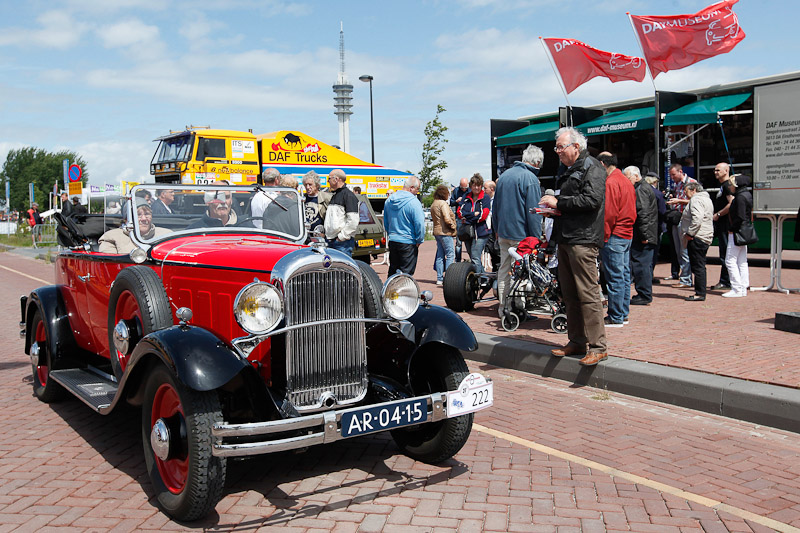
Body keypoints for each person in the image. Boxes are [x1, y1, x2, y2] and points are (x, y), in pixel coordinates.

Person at [540, 127, 607, 366]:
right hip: (566, 238)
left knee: (588, 294)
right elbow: (572, 203)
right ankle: (577, 340)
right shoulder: (568, 169)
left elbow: (592, 200)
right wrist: (553, 210)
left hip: (583, 240)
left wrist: (559, 202)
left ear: (576, 147)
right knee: (569, 295)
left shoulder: (593, 167)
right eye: (556, 147)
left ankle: (598, 346)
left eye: (560, 147)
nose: (557, 151)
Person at [492, 144, 543, 314]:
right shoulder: (530, 179)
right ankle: (518, 309)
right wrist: (536, 239)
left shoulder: (504, 176)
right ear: (536, 162)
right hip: (521, 235)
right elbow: (534, 212)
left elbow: (495, 208)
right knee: (520, 273)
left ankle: (503, 307)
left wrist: (497, 229)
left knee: (504, 270)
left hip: (503, 233)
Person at [597, 152, 636, 327]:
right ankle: (622, 313)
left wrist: (604, 235)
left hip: (615, 233)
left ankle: (616, 315)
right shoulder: (625, 180)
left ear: (603, 164)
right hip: (626, 232)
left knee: (615, 276)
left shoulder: (611, 182)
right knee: (623, 274)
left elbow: (609, 213)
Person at [624, 166, 658, 306]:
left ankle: (644, 294)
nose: (626, 180)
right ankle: (644, 293)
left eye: (628, 177)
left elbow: (643, 213)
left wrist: (644, 235)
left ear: (636, 176)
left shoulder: (641, 189)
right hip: (645, 233)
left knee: (641, 264)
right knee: (642, 264)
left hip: (643, 234)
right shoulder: (642, 188)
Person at [384, 176, 425, 275]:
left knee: (393, 271)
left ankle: (390, 289)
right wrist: (419, 239)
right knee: (406, 274)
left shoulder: (389, 201)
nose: (417, 192)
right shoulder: (414, 202)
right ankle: (404, 290)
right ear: (411, 188)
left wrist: (391, 234)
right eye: (417, 189)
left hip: (393, 240)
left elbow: (386, 221)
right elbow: (419, 223)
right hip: (408, 241)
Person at [679, 182, 714, 301]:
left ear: (693, 190)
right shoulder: (707, 199)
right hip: (705, 236)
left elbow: (697, 219)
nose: (685, 193)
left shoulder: (696, 200)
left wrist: (689, 233)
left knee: (698, 266)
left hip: (697, 237)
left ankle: (700, 293)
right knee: (700, 265)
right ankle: (700, 291)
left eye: (686, 191)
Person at [98, 200, 170, 254]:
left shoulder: (166, 235)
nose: (144, 218)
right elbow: (110, 266)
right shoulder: (111, 237)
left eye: (147, 214)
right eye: (138, 215)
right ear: (127, 220)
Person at [666, 164, 697, 288]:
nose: (672, 177)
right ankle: (684, 277)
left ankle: (686, 279)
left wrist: (679, 201)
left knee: (684, 250)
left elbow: (697, 199)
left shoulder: (692, 183)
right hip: (677, 218)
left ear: (680, 171)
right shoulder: (677, 184)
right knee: (678, 249)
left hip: (686, 219)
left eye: (673, 174)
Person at [723, 174, 753, 298]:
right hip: (744, 230)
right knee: (742, 260)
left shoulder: (740, 197)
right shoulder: (747, 195)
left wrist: (732, 229)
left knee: (730, 260)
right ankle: (744, 285)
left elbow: (740, 216)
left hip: (737, 231)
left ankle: (737, 288)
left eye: (731, 184)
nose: (729, 186)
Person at [457, 173, 491, 274]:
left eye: (478, 185)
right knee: (472, 257)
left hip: (480, 232)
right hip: (467, 231)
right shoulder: (466, 196)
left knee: (475, 256)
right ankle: (482, 277)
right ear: (470, 186)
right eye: (474, 185)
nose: (476, 187)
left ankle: (481, 279)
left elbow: (483, 215)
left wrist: (468, 216)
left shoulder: (485, 198)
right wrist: (473, 214)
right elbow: (460, 213)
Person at [710, 162, 735, 291]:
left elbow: (731, 203)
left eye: (718, 170)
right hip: (721, 224)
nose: (715, 172)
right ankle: (727, 280)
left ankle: (726, 281)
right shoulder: (722, 186)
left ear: (726, 171)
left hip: (725, 224)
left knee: (725, 253)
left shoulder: (727, 186)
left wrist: (718, 214)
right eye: (715, 170)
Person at [324, 169, 359, 256]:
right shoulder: (335, 195)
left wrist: (341, 237)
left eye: (329, 178)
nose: (328, 181)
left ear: (336, 179)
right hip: (332, 241)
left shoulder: (348, 195)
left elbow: (353, 221)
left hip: (342, 243)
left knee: (341, 268)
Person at [431, 184, 456, 285]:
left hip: (437, 232)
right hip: (445, 232)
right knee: (450, 254)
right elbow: (446, 217)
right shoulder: (443, 204)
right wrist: (453, 226)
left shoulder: (434, 204)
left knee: (440, 255)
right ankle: (449, 277)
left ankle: (439, 278)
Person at [645, 172, 666, 284]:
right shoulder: (658, 194)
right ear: (654, 182)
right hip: (656, 227)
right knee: (653, 252)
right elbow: (662, 211)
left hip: (643, 226)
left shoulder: (640, 191)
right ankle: (649, 275)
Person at [449, 177, 470, 261]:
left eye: (465, 188)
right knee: (458, 242)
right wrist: (457, 201)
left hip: (468, 217)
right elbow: (451, 202)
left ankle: (471, 259)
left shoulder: (470, 191)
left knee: (469, 240)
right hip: (459, 217)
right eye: (462, 188)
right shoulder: (456, 191)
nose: (464, 190)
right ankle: (458, 260)